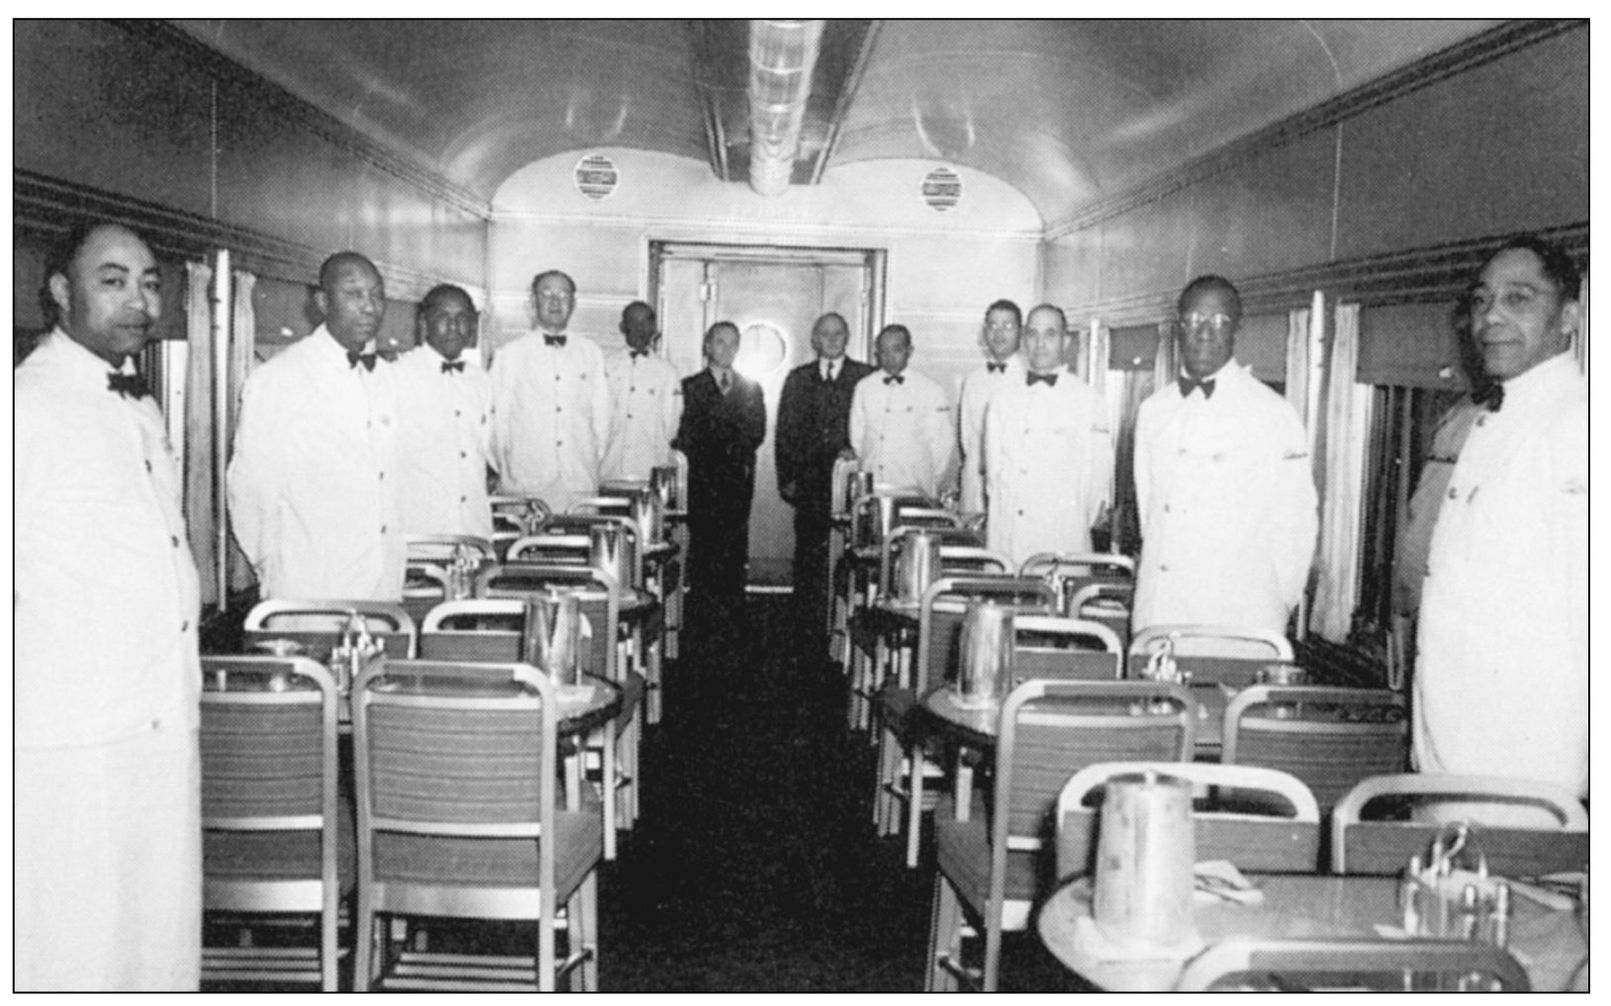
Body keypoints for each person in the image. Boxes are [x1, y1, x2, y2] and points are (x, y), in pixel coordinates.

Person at [15, 222, 201, 989]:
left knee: (154, 948)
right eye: (113, 280)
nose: (138, 301)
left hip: (157, 722)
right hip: (71, 743)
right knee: (72, 953)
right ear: (61, 291)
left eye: (150, 282)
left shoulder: (138, 406)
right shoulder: (26, 408)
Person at [1414, 236, 1586, 804]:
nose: (1492, 317)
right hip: (1450, 741)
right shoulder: (1498, 417)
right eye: (1483, 300)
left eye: (1519, 299)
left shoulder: (1579, 427)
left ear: (1569, 316)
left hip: (1525, 765)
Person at [1131, 274, 1317, 635]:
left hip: (1236, 618)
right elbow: (1148, 511)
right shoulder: (1154, 411)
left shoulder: (1273, 413)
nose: (1205, 332)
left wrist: (1273, 611)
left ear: (1237, 329)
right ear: (1179, 327)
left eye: (1219, 322)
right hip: (1160, 611)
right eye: (1195, 320)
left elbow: (1296, 527)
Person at [228, 250, 406, 600]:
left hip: (383, 588)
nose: (369, 307)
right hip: (309, 589)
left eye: (376, 295)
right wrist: (276, 568)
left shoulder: (386, 378)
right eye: (354, 295)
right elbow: (250, 490)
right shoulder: (279, 378)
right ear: (323, 302)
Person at [982, 304, 1112, 567]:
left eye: (1050, 334)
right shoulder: (1002, 400)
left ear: (1065, 341)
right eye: (1032, 334)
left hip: (1061, 541)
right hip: (1008, 541)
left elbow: (1097, 484)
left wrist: (1069, 524)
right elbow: (993, 480)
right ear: (1024, 340)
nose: (1040, 343)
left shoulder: (1088, 401)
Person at [775, 312, 875, 634]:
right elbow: (785, 432)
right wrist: (787, 477)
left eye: (838, 334)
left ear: (847, 338)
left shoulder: (866, 377)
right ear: (814, 340)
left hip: (851, 484)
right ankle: (806, 621)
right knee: (809, 550)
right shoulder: (798, 378)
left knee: (850, 551)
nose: (832, 340)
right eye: (825, 334)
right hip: (809, 481)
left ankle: (844, 620)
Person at [489, 269, 611, 512]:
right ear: (533, 303)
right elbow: (495, 424)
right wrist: (511, 472)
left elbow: (603, 421)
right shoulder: (509, 355)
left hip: (578, 485)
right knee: (522, 547)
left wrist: (584, 465)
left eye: (563, 295)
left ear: (573, 304)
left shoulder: (591, 353)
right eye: (547, 294)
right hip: (524, 486)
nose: (555, 301)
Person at [391, 283, 495, 539]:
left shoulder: (481, 380)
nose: (453, 327)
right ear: (424, 323)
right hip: (418, 536)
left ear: (472, 327)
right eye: (443, 317)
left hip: (474, 532)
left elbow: (487, 452)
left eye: (462, 319)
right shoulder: (396, 376)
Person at [673, 321, 767, 598]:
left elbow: (756, 432)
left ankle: (733, 617)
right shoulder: (690, 387)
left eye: (733, 343)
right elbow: (686, 435)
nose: (727, 349)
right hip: (702, 482)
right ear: (707, 346)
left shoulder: (751, 388)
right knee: (703, 549)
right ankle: (702, 617)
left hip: (737, 481)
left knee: (735, 549)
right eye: (720, 342)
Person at [848, 323, 955, 499]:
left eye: (896, 350)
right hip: (872, 486)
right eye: (883, 352)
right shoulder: (864, 387)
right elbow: (857, 438)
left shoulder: (931, 390)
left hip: (915, 487)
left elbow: (943, 443)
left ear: (909, 351)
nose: (889, 357)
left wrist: (929, 479)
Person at [957, 299, 1025, 516]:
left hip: (1016, 487)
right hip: (975, 484)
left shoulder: (1030, 378)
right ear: (985, 332)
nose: (999, 333)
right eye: (993, 326)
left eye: (1007, 326)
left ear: (1021, 332)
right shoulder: (973, 379)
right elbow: (968, 438)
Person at [601, 300, 682, 482]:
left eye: (646, 322)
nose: (640, 328)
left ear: (653, 328)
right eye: (634, 322)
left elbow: (671, 425)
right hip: (610, 469)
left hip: (650, 470)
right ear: (623, 326)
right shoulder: (606, 366)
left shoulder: (667, 372)